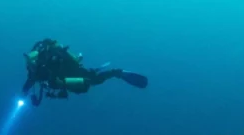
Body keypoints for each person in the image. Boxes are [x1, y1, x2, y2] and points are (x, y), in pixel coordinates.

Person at [21, 38, 149, 106]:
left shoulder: (43, 66)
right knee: (88, 81)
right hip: (69, 75)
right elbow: (30, 81)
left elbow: (49, 80)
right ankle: (106, 72)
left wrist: (26, 93)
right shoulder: (36, 70)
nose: (31, 69)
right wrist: (25, 92)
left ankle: (117, 72)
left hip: (70, 73)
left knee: (91, 81)